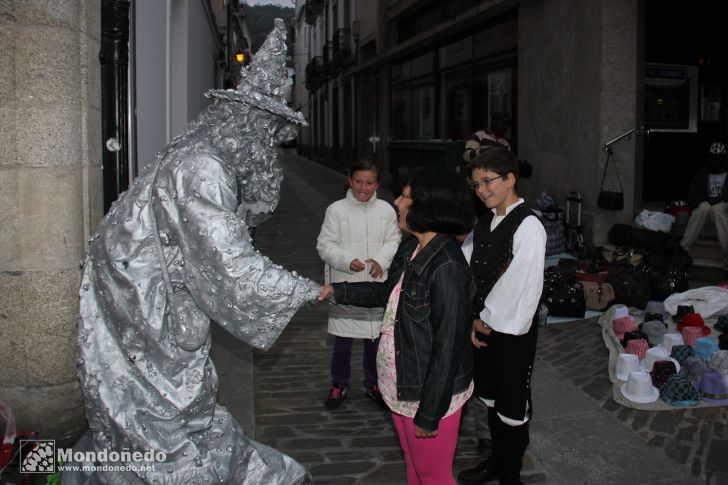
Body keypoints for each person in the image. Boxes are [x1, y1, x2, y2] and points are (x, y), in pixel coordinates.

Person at [68, 20, 320, 485]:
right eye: (267, 131)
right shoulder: (205, 167)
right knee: (165, 390)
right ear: (247, 125)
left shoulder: (196, 149)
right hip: (146, 290)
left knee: (137, 384)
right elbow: (226, 258)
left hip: (132, 276)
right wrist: (299, 289)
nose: (269, 145)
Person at [319, 167, 476, 485]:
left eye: (406, 197)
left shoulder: (447, 267)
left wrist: (430, 412)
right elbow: (383, 291)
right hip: (401, 384)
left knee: (434, 476)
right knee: (414, 467)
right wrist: (339, 291)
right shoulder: (412, 247)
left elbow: (448, 348)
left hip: (427, 394)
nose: (398, 203)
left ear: (429, 207)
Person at [457, 148, 546, 485]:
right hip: (483, 327)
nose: (481, 190)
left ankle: (511, 475)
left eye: (487, 181)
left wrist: (485, 320)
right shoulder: (483, 222)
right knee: (490, 399)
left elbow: (520, 287)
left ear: (510, 179)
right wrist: (470, 317)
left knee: (511, 405)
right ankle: (496, 461)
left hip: (511, 333)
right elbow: (468, 271)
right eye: (476, 184)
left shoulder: (529, 226)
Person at [316, 160, 401, 409]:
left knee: (374, 339)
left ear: (377, 184)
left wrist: (381, 260)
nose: (363, 187)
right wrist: (345, 260)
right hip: (346, 284)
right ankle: (339, 383)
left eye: (369, 182)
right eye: (358, 181)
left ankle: (374, 383)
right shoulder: (336, 210)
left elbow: (394, 239)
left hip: (376, 283)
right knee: (343, 340)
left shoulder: (385, 210)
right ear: (350, 180)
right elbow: (325, 244)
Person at [680, 142, 728, 268]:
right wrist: (703, 200)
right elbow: (692, 195)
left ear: (723, 159)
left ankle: (727, 254)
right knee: (703, 208)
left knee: (717, 209)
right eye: (713, 157)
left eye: (718, 157)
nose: (715, 160)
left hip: (723, 207)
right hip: (707, 208)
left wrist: (721, 199)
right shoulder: (702, 173)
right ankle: (683, 249)